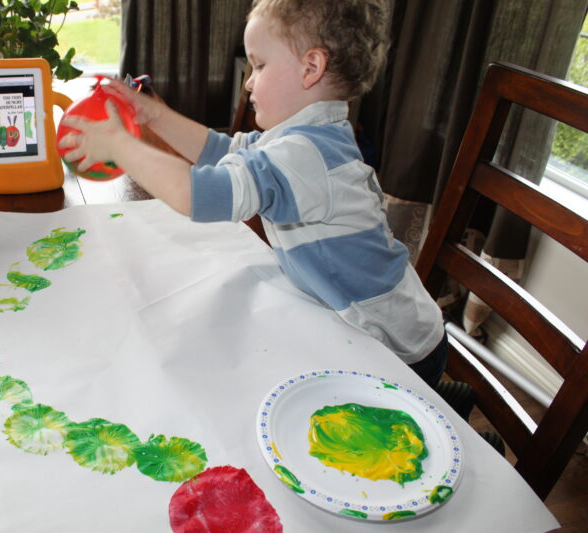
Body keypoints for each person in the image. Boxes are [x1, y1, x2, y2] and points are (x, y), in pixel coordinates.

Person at [57, 0, 449, 389]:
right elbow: (220, 152)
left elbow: (197, 194)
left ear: (311, 68)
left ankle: (448, 399)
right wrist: (153, 115)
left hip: (396, 351)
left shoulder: (304, 156)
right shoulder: (301, 136)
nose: (248, 81)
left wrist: (120, 144)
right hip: (371, 322)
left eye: (259, 65)